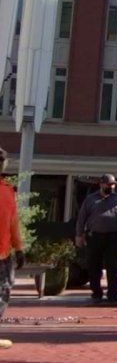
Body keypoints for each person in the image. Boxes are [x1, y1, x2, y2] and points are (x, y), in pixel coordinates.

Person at [75, 173, 117, 302]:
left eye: (113, 184)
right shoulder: (90, 199)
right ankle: (96, 292)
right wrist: (79, 235)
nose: (111, 186)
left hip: (113, 236)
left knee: (113, 266)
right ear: (101, 184)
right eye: (109, 184)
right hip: (95, 236)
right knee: (94, 266)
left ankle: (113, 293)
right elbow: (82, 218)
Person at [0, 148, 25, 351]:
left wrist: (19, 248)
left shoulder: (8, 191)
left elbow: (13, 223)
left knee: (4, 291)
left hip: (3, 253)